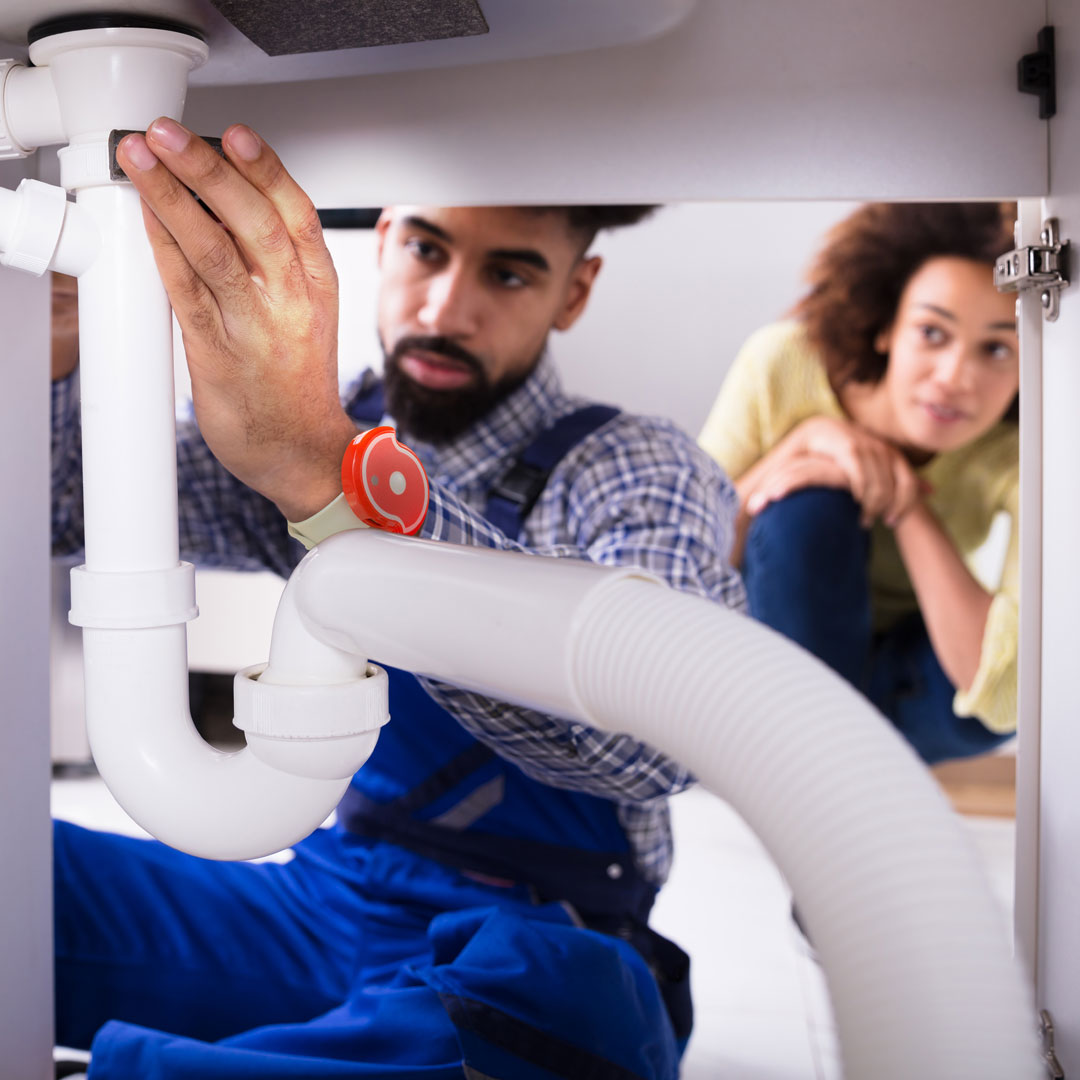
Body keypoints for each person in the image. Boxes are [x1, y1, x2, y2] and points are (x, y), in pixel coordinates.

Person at [50, 118, 745, 1079]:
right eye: (426, 248)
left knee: (570, 1003)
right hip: (328, 900)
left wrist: (332, 482)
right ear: (382, 241)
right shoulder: (297, 419)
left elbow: (667, 730)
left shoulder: (634, 467)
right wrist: (54, 353)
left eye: (508, 274)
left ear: (573, 290)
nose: (448, 307)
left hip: (534, 939)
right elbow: (62, 510)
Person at [698, 202, 1019, 764]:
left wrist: (906, 506)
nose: (954, 379)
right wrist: (803, 444)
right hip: (769, 658)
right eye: (931, 332)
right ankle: (823, 767)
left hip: (900, 674)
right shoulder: (782, 363)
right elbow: (677, 565)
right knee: (810, 508)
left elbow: (1000, 693)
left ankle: (838, 762)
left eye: (997, 349)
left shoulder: (1018, 451)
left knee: (993, 697)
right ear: (887, 326)